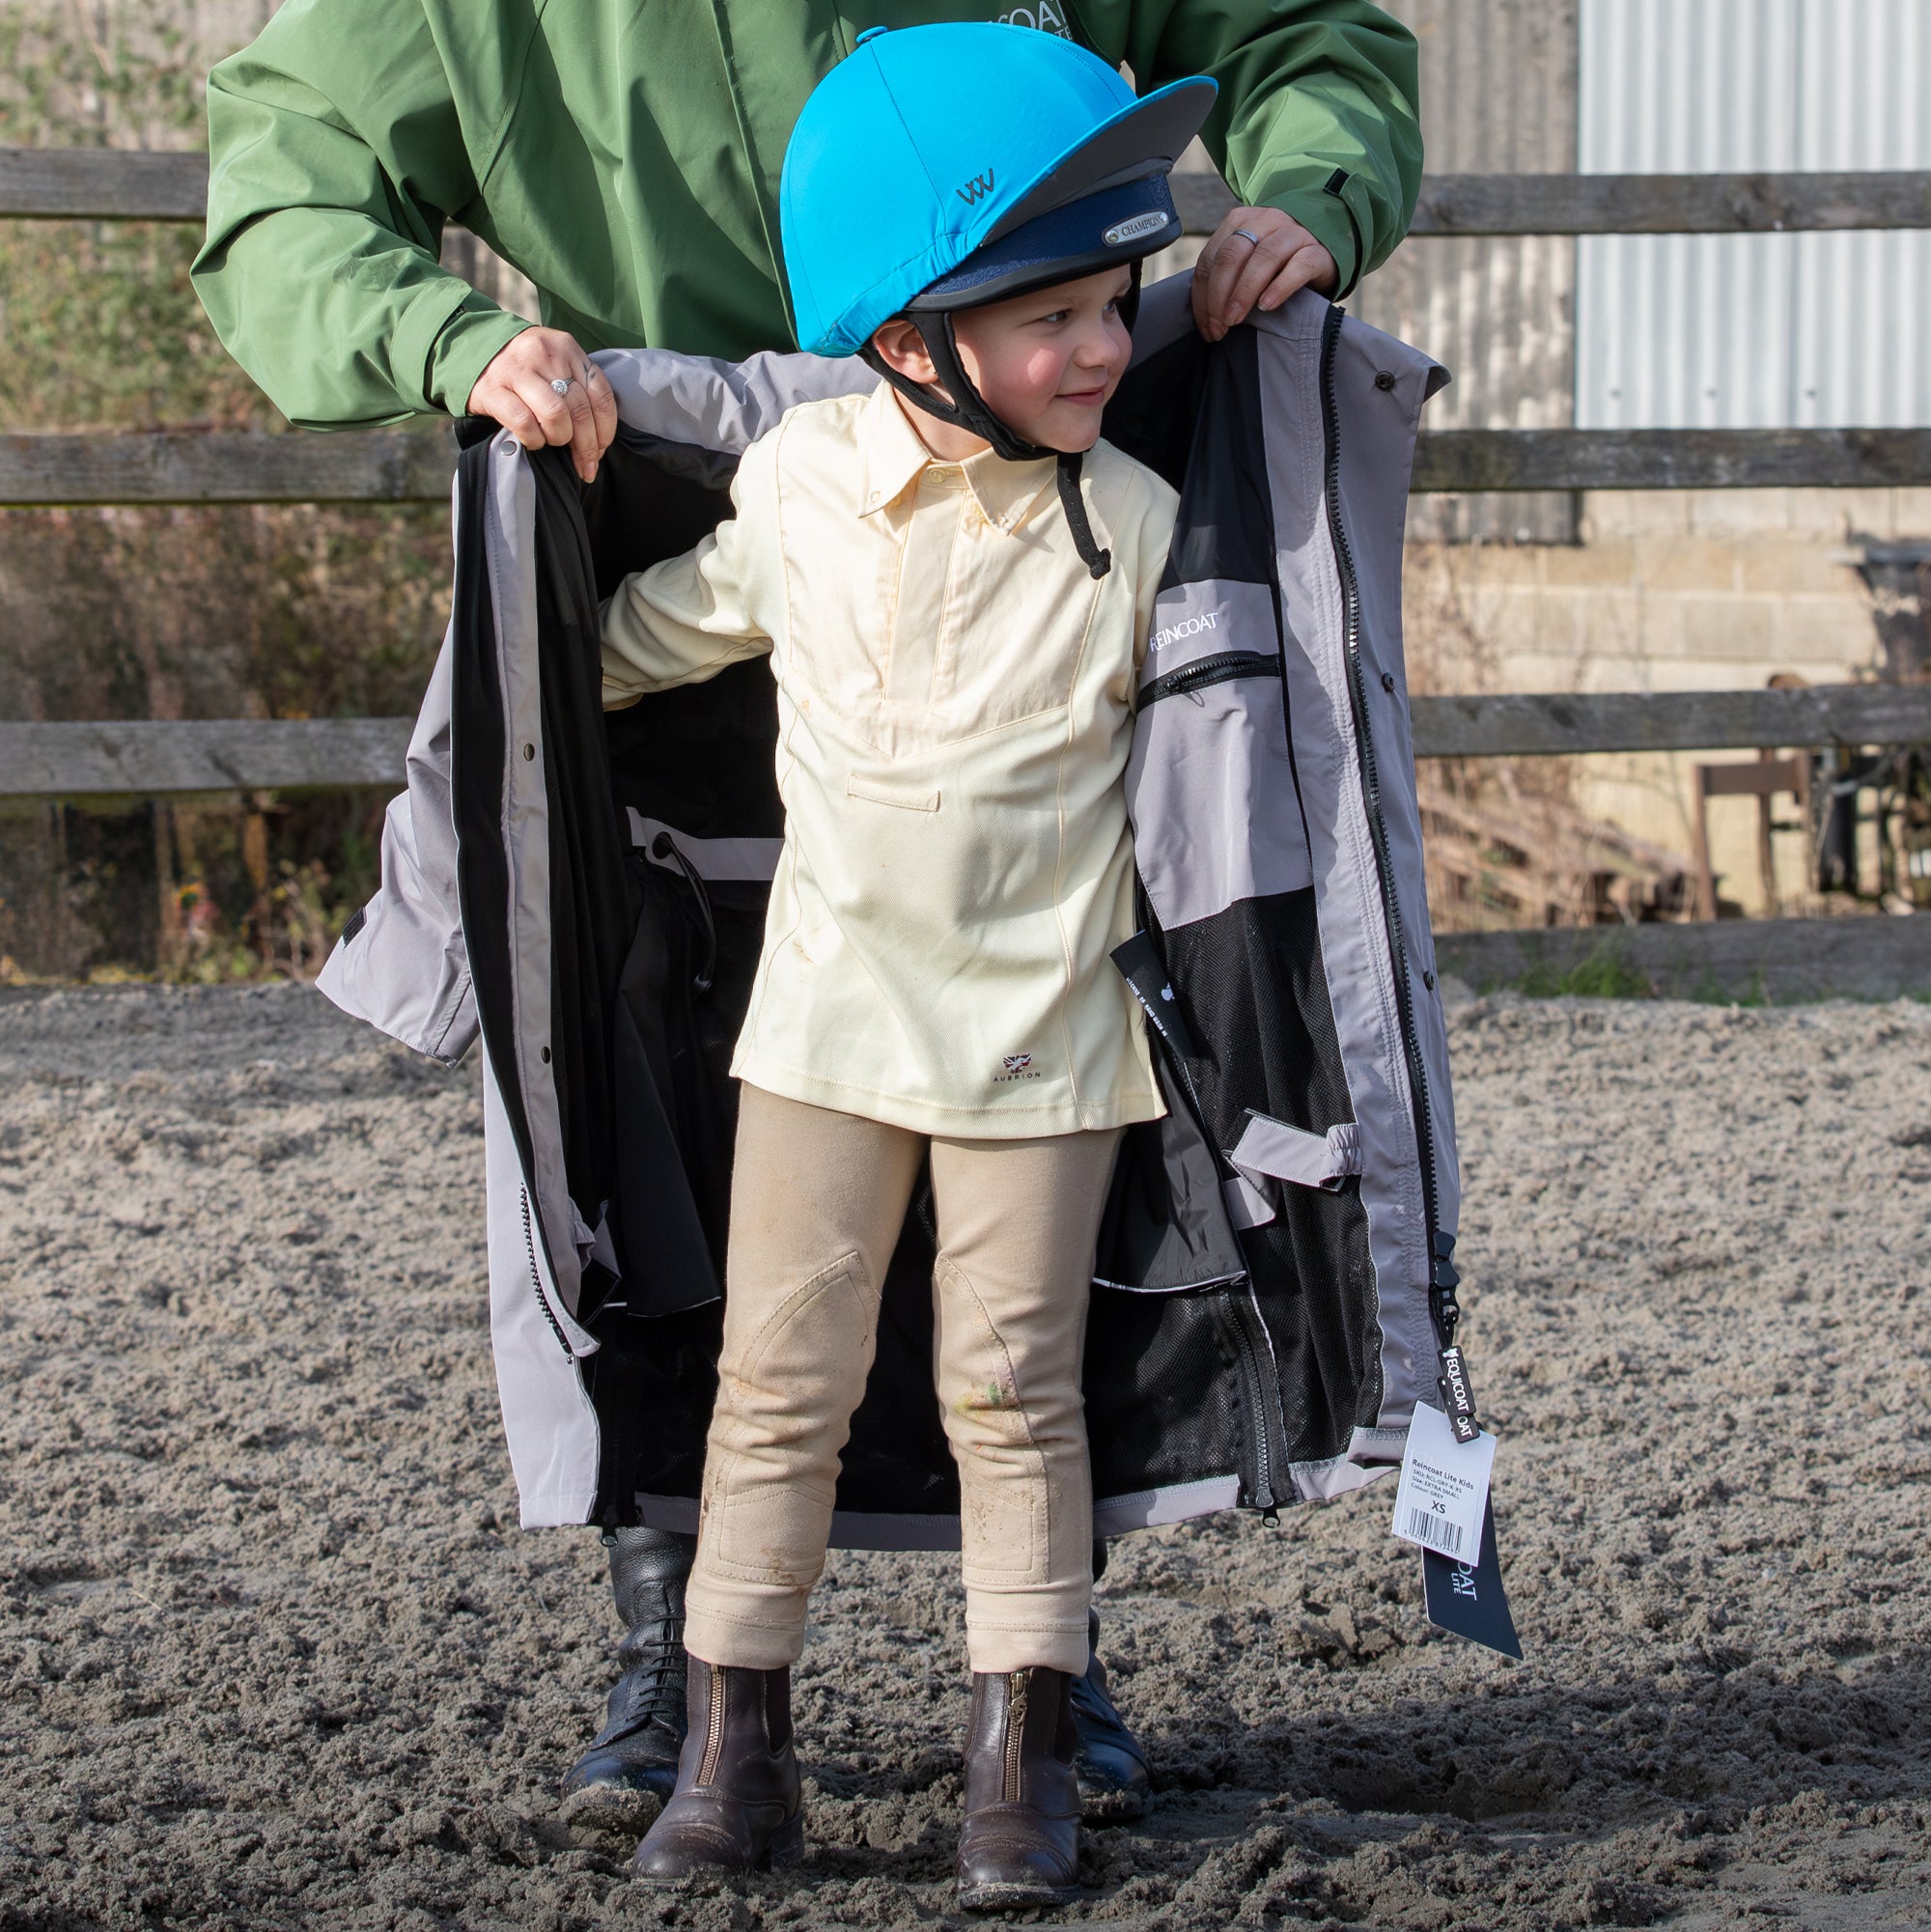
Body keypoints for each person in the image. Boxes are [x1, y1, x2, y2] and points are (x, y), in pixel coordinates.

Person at [193, 0, 1422, 1833]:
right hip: (684, 504)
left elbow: (1302, 31)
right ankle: (676, 1643)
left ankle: (1042, 1661)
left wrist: (1308, 196)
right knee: (653, 1119)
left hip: (1034, 462)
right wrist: (456, 344)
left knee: (1050, 1163)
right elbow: (289, 181)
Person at [594, 26, 1204, 1900]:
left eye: (1113, 306)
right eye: (1053, 317)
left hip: (1044, 1040)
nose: (1101, 348)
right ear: (911, 335)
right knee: (777, 1378)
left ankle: (1020, 1752)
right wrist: (528, 586)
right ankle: (733, 1747)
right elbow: (646, 634)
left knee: (1012, 1388)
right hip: (827, 1032)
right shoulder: (796, 489)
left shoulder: (1139, 529)